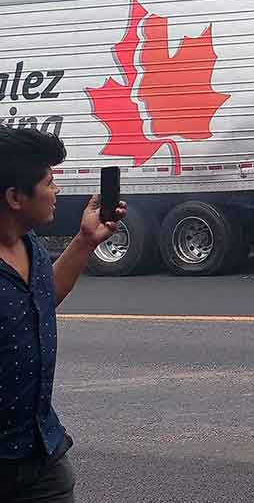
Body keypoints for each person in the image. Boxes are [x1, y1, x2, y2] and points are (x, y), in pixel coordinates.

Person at [0, 128, 126, 502]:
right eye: (49, 183)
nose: (57, 193)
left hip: (41, 454)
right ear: (15, 197)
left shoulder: (31, 247)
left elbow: (43, 297)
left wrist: (86, 240)